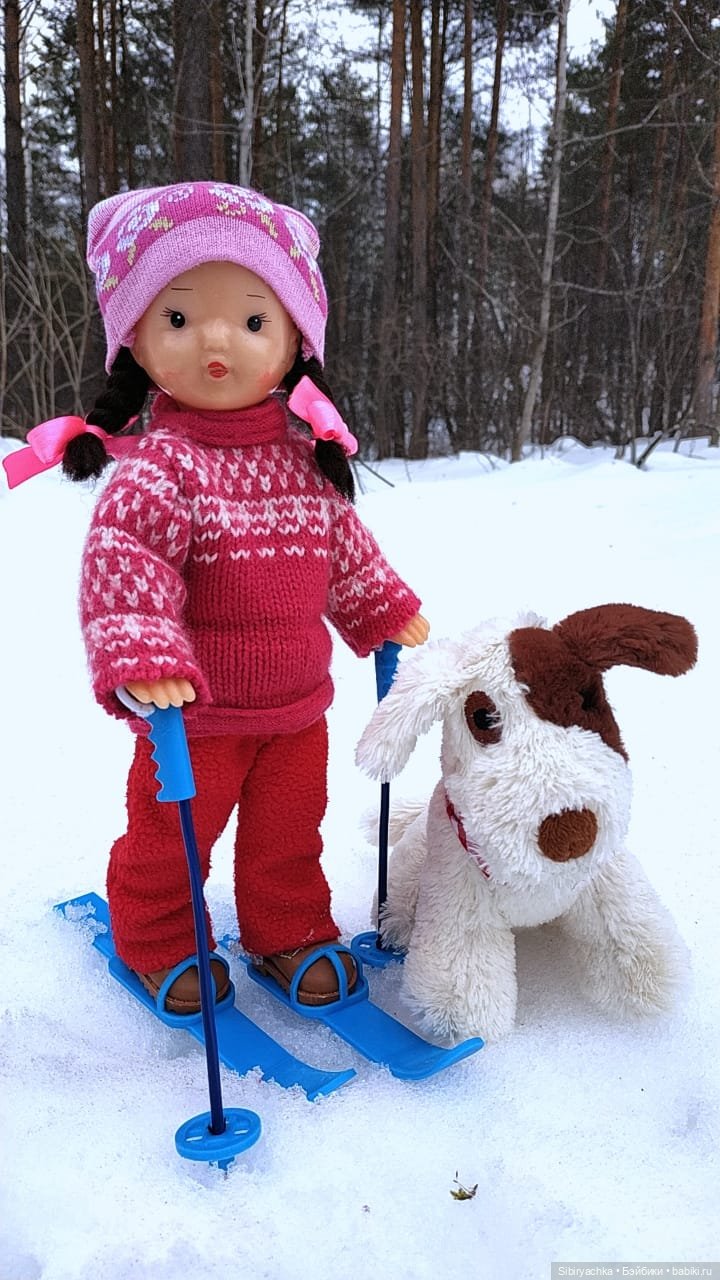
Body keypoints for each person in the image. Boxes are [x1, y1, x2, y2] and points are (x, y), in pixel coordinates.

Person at [61, 181, 429, 1013]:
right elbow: (125, 565)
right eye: (181, 318)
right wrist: (144, 653)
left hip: (296, 711)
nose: (218, 340)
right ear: (138, 342)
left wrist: (380, 609)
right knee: (173, 840)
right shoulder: (162, 468)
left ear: (296, 339)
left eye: (254, 319)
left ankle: (289, 930)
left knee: (287, 837)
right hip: (194, 719)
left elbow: (342, 553)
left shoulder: (305, 462)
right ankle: (156, 938)